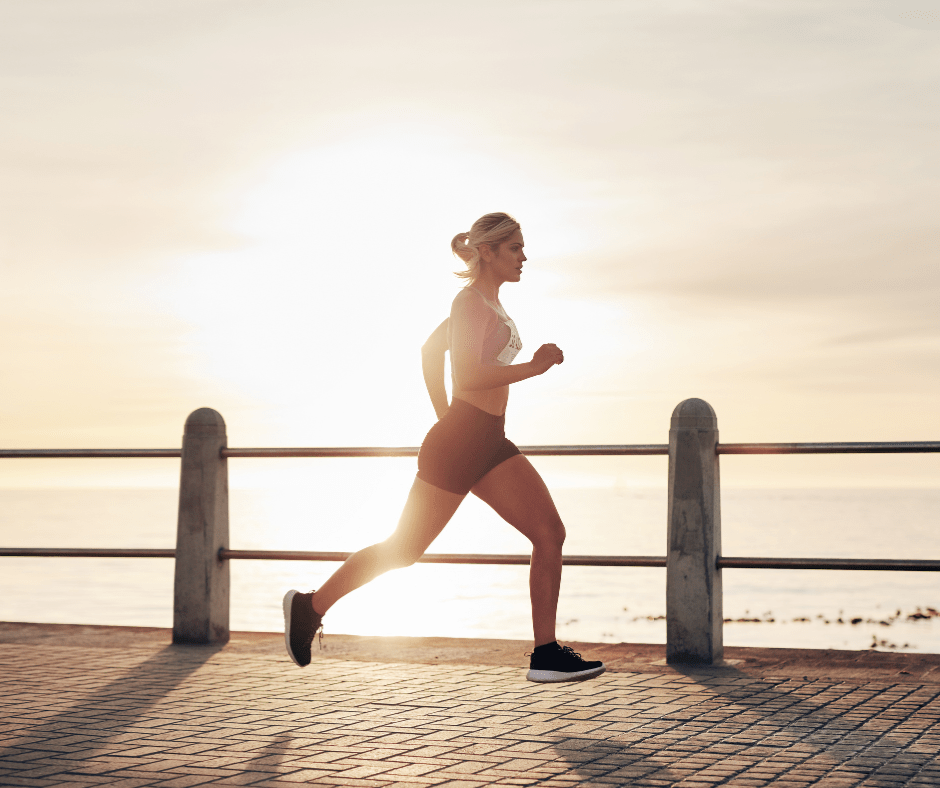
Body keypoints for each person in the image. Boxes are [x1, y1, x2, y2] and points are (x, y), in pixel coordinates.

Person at [283, 212, 605, 683]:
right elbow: (469, 375)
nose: (524, 256)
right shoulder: (469, 302)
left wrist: (448, 416)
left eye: (522, 247)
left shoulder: (487, 305)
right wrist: (530, 369)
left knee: (549, 533)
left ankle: (545, 653)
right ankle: (309, 608)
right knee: (403, 550)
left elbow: (431, 353)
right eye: (515, 248)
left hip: (487, 439)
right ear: (489, 252)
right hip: (461, 442)